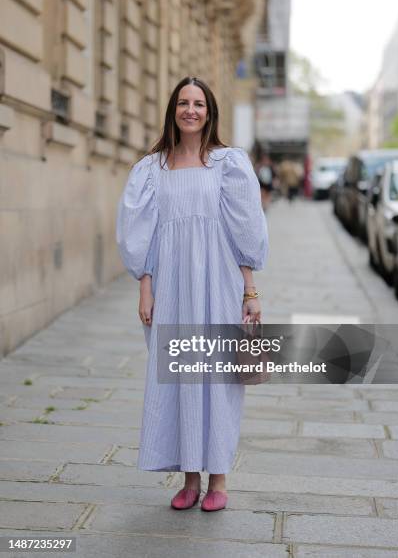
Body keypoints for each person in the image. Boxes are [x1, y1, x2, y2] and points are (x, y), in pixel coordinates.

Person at [116, 76, 268, 512]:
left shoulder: (228, 163)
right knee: (180, 375)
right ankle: (189, 479)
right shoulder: (152, 168)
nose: (190, 110)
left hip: (218, 283)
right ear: (172, 110)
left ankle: (219, 479)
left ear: (209, 111)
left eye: (198, 103)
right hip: (171, 285)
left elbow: (244, 228)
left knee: (218, 378)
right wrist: (145, 287)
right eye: (183, 102)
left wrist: (250, 290)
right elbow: (140, 233)